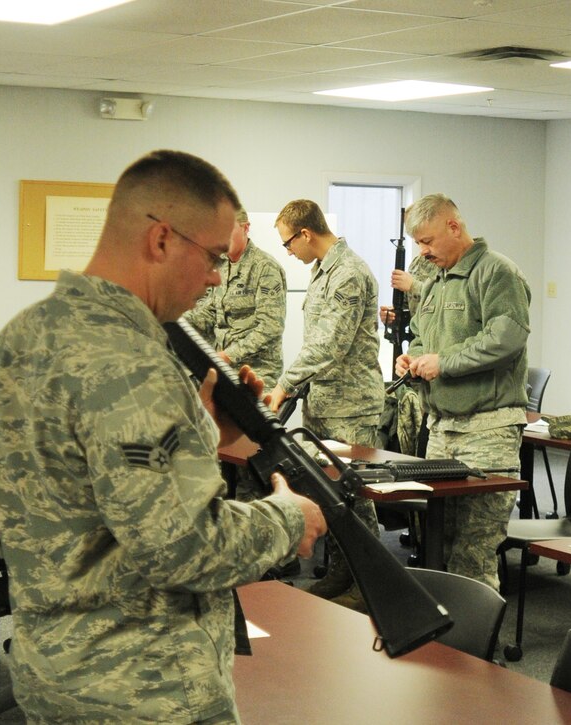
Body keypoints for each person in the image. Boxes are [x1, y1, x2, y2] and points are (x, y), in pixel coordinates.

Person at [0, 149, 326, 722]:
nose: (216, 277)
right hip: (146, 689)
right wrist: (290, 516)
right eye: (213, 256)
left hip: (56, 672)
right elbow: (185, 546)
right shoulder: (133, 362)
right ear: (162, 240)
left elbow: (87, 489)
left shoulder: (27, 335)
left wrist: (202, 430)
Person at [394, 194, 530, 590]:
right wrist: (413, 359)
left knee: (473, 552)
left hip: (488, 431)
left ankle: (478, 651)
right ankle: (445, 648)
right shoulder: (435, 280)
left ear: (454, 227)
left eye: (428, 241)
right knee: (438, 544)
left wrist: (444, 362)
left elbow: (506, 339)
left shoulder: (497, 273)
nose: (423, 251)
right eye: (418, 243)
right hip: (443, 430)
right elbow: (421, 335)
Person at [266, 199, 383, 602]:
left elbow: (330, 343)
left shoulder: (349, 273)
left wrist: (284, 384)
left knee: (356, 499)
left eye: (287, 243)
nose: (287, 252)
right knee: (331, 498)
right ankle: (340, 573)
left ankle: (370, 587)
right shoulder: (321, 272)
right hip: (324, 402)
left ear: (305, 234)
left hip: (351, 407)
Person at [183, 206, 287, 389]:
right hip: (222, 366)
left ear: (245, 228)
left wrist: (228, 355)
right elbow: (211, 311)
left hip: (257, 371)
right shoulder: (220, 264)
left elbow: (270, 327)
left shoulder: (265, 268)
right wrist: (177, 322)